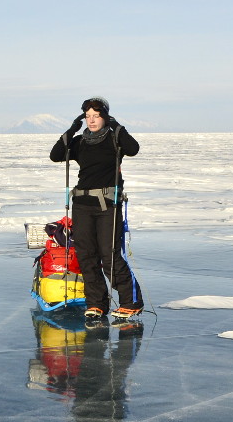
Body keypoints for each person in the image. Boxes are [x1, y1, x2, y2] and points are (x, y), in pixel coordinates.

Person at [50, 96, 144, 321]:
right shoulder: (80, 142)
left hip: (107, 206)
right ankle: (96, 303)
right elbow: (55, 155)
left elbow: (134, 149)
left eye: (96, 115)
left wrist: (116, 126)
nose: (91, 120)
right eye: (87, 116)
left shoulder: (115, 139)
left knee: (109, 255)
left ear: (105, 117)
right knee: (86, 256)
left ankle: (131, 302)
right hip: (81, 205)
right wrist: (72, 129)